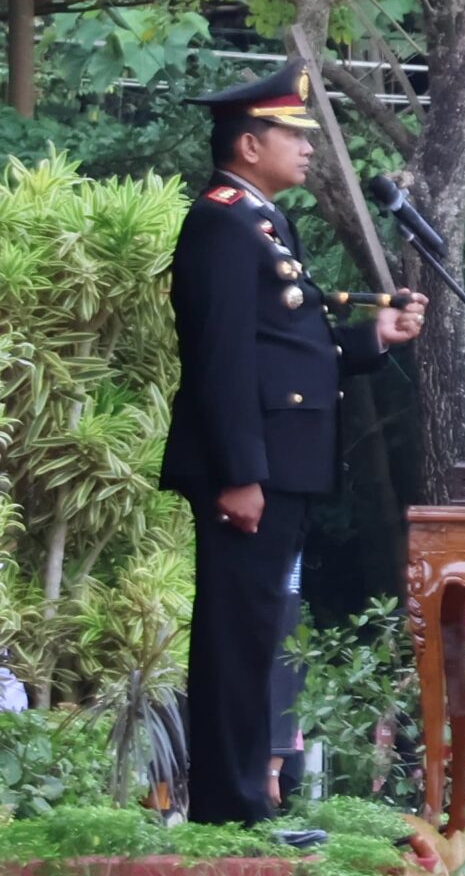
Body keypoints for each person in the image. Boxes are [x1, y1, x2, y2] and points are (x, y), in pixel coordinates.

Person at [161, 64, 429, 824]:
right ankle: (232, 803)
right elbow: (221, 359)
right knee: (239, 634)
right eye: (294, 135)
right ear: (249, 145)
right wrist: (239, 472)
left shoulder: (263, 220)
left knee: (262, 633)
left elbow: (288, 353)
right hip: (253, 471)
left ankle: (247, 797)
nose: (308, 149)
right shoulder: (221, 221)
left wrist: (370, 337)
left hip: (286, 463)